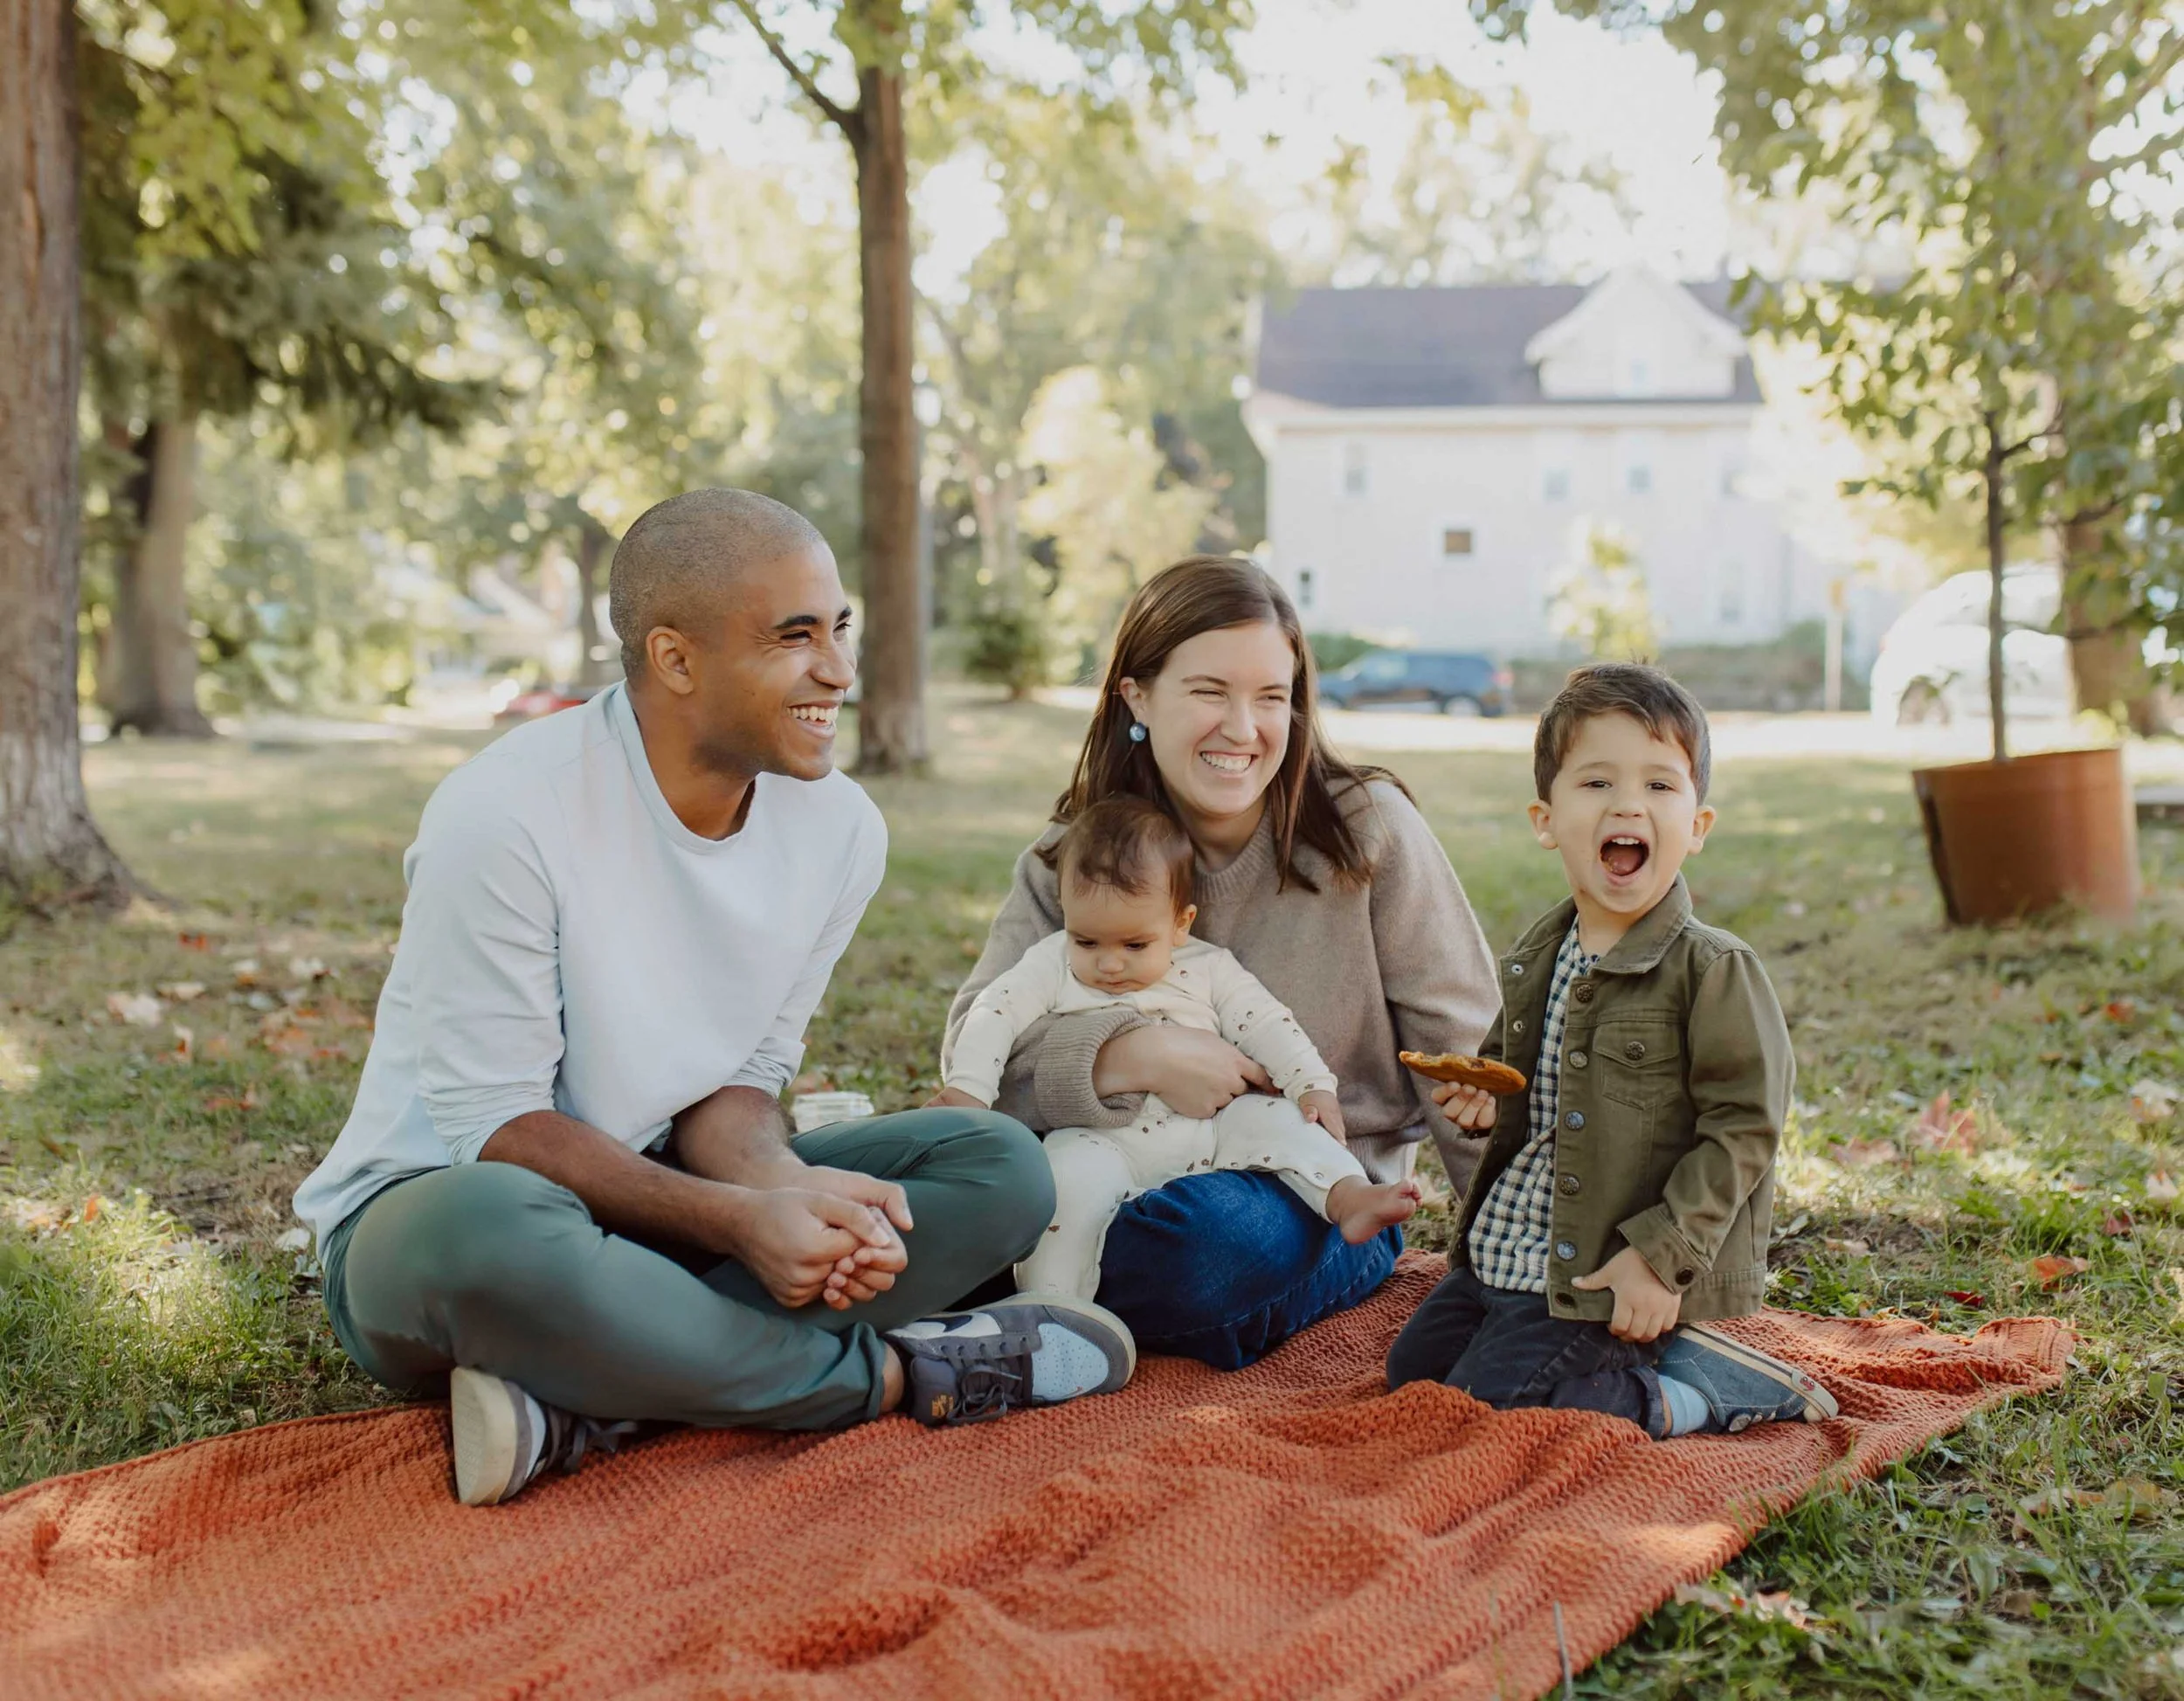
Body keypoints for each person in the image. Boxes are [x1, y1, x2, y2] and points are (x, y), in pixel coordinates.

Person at [293, 488, 1133, 1508]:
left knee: (994, 1165)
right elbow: (496, 1127)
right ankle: (901, 1376)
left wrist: (777, 1188)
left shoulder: (840, 831)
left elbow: (739, 1083)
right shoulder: (503, 815)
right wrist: (736, 1223)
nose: (838, 670)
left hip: (656, 1205)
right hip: (442, 1217)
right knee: (497, 1224)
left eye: (840, 629)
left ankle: (586, 1403)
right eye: (794, 637)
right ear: (675, 659)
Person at [946, 557, 1501, 1368]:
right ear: (1137, 695)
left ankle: (1010, 1300)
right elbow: (974, 1041)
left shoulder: (1364, 830)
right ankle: (1036, 1296)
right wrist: (1127, 1056)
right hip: (1096, 1170)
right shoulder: (1077, 856)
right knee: (1005, 1204)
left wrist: (1519, 1259)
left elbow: (1469, 1057)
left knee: (1209, 1247)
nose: (1244, 728)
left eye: (1271, 697)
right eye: (1210, 691)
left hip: (1299, 1187)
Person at [1386, 663, 1838, 1436]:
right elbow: (1528, 1087)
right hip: (1511, 1247)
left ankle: (1688, 1392)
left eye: (1661, 787)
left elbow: (1745, 1128)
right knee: (1412, 1377)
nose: (1629, 802)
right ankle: (1639, 1359)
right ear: (1546, 819)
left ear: (1696, 826)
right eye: (1597, 783)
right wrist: (1484, 1105)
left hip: (1602, 1264)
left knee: (1489, 1412)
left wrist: (1661, 1256)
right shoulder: (1542, 952)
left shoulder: (1712, 970)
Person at [935, 796, 1421, 1297]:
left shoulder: (1210, 968)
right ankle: (1050, 1306)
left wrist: (1312, 1084)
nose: (1108, 965)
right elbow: (995, 1011)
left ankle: (1349, 1197)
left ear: (1181, 923)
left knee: (1286, 1125)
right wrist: (970, 1090)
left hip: (1213, 1130)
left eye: (1134, 945)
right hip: (1100, 1135)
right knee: (1062, 1188)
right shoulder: (1051, 963)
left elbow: (1268, 1025)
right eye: (1087, 942)